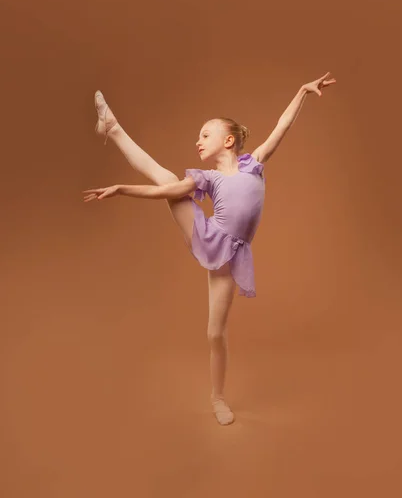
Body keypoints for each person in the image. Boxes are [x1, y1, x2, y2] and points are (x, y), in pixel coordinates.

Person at [83, 72, 336, 425]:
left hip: (231, 256)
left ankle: (218, 397)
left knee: (215, 332)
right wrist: (123, 189)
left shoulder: (254, 164)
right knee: (169, 180)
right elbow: (165, 194)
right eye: (198, 136)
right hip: (206, 234)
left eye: (205, 135)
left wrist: (302, 92)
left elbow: (283, 126)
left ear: (229, 141)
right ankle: (113, 127)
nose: (198, 140)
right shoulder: (208, 178)